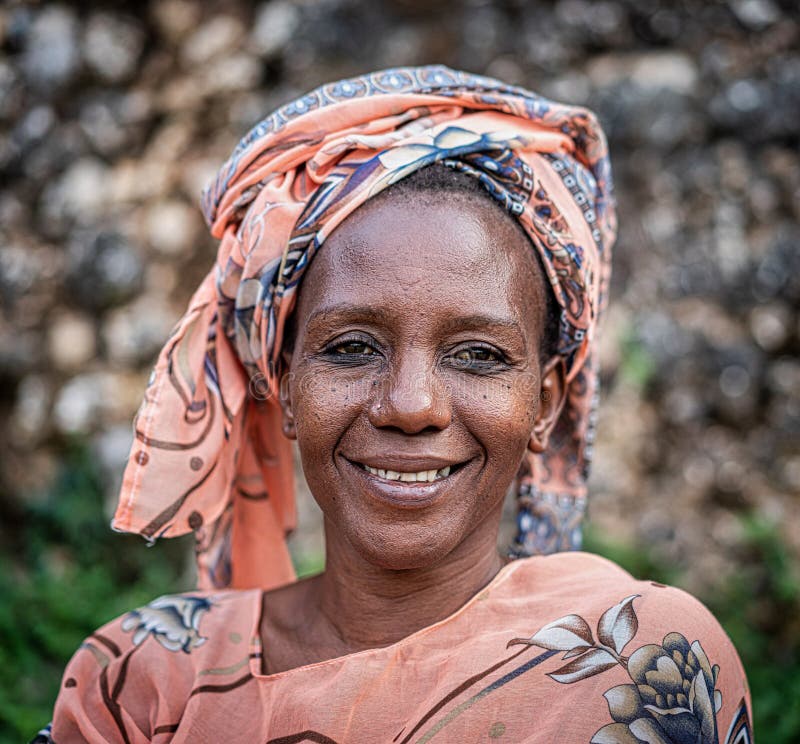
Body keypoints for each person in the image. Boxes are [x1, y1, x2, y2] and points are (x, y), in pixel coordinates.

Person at [40, 66, 752, 743]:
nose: (411, 405)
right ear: (284, 383)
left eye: (478, 354)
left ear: (544, 403)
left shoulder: (646, 664)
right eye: (352, 347)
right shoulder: (145, 678)